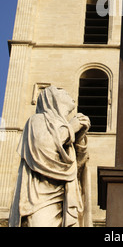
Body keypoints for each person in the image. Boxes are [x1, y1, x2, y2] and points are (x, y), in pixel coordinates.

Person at [9, 86, 92, 227]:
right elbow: (43, 148)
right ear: (52, 98)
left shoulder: (64, 127)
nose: (67, 92)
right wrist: (71, 129)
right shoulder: (37, 120)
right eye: (62, 91)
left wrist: (80, 139)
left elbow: (76, 167)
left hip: (66, 193)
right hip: (40, 198)